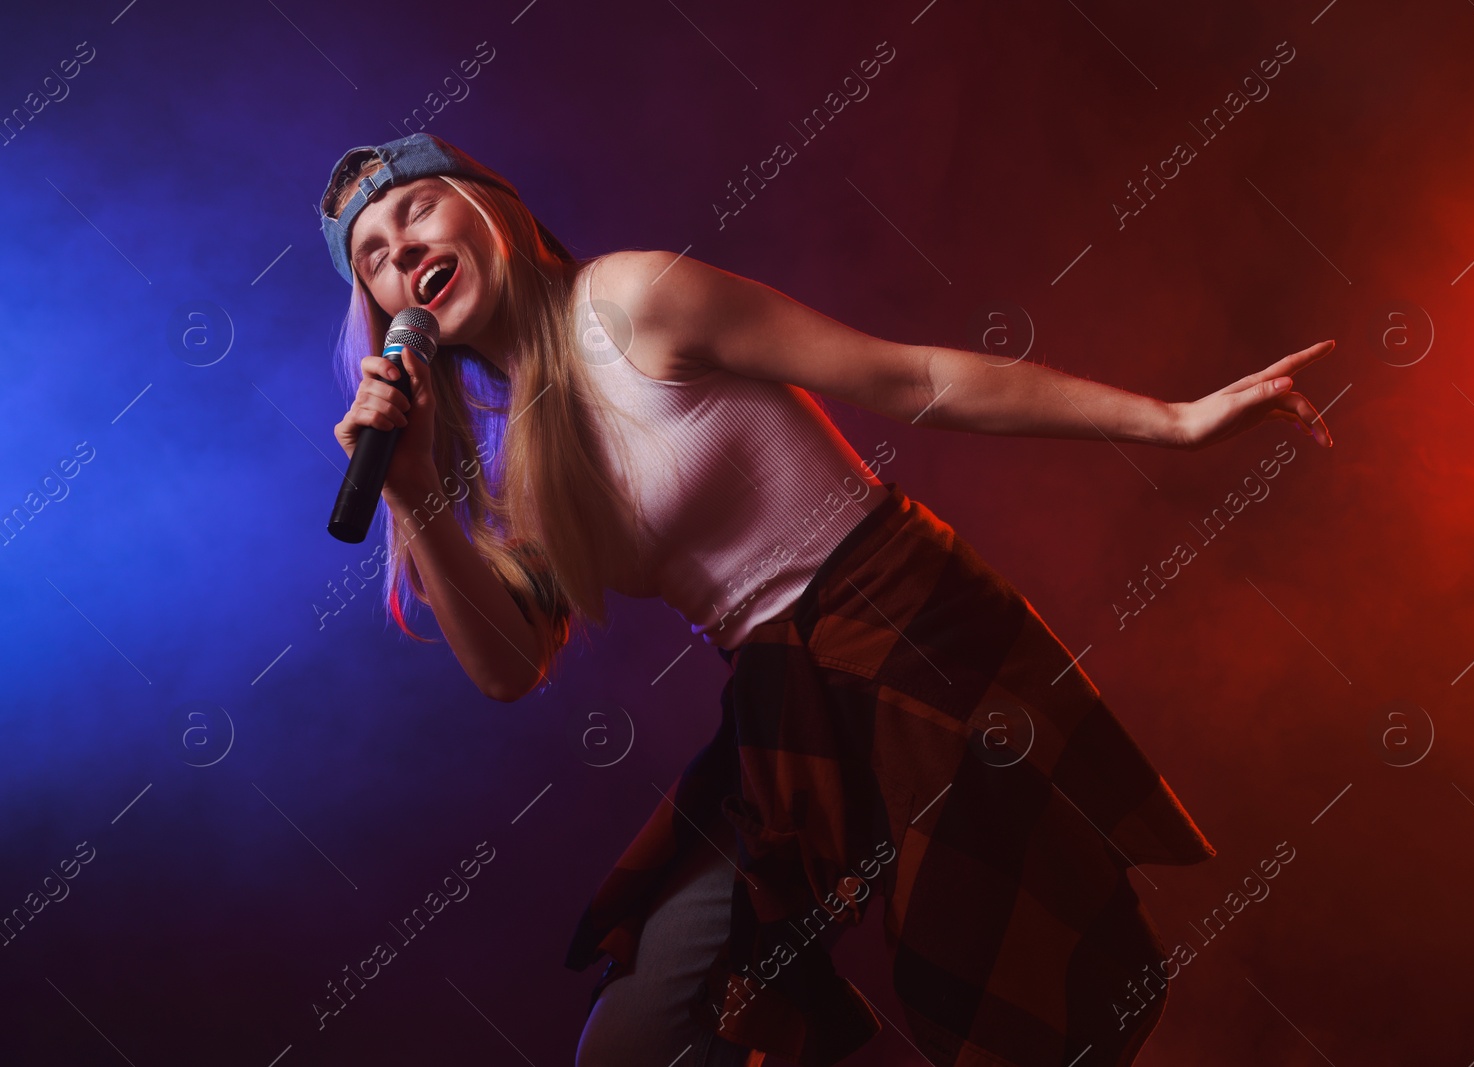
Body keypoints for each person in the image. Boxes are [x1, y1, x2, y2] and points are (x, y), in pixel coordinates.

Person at [319, 133, 1333, 1067]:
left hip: (911, 623)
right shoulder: (511, 472)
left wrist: (1175, 421)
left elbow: (909, 376)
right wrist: (413, 498)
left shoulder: (628, 299)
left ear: (484, 206)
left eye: (413, 213)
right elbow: (506, 667)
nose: (399, 252)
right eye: (369, 253)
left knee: (1019, 1007)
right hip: (779, 700)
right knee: (637, 1038)